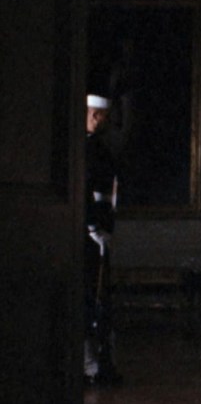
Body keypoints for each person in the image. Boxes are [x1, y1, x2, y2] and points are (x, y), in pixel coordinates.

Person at [84, 93, 123, 386]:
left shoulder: (101, 148)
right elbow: (83, 190)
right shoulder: (83, 148)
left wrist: (106, 228)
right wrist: (91, 226)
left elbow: (110, 195)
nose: (99, 120)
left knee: (100, 299)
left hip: (101, 231)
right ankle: (89, 364)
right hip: (87, 232)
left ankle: (99, 362)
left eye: (102, 116)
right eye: (94, 114)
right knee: (88, 298)